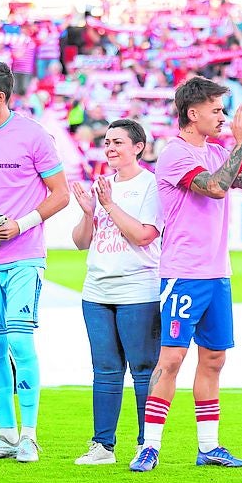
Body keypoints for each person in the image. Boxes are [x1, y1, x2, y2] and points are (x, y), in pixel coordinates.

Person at [130, 77, 242, 472]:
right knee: (171, 358)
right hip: (184, 273)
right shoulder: (175, 154)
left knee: (213, 359)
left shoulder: (217, 150)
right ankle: (149, 444)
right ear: (193, 114)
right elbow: (214, 188)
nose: (224, 118)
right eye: (217, 110)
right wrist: (241, 144)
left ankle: (208, 446)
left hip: (216, 274)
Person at [0, 61, 69, 463]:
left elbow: (60, 194)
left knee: (20, 341)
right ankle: (5, 435)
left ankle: (30, 435)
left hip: (24, 256)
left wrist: (20, 225)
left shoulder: (33, 135)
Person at [71, 119, 161, 465]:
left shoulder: (151, 185)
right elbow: (81, 242)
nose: (109, 148)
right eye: (107, 142)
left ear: (138, 147)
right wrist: (89, 213)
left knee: (142, 368)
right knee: (105, 370)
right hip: (96, 287)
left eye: (118, 142)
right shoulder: (102, 184)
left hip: (138, 287)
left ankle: (145, 444)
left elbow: (144, 235)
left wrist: (109, 206)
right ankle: (102, 445)